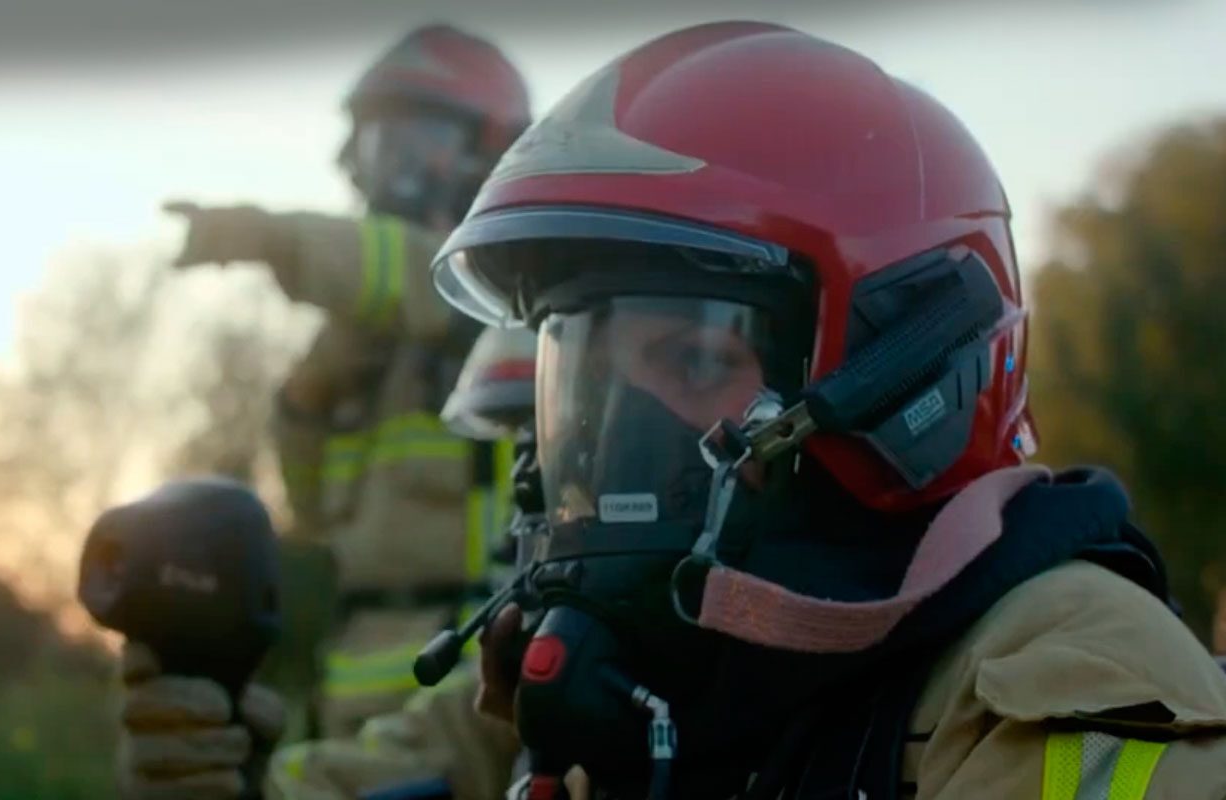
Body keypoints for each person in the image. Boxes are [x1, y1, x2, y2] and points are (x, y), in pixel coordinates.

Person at [422, 20, 1226, 799]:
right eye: (592, 380)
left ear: (906, 378)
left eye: (696, 360)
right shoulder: (669, 669)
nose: (614, 437)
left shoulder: (1072, 687)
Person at [115, 24, 532, 800]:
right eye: (374, 148)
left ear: (486, 153)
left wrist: (267, 236)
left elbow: (402, 267)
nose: (379, 171)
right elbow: (312, 507)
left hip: (466, 685)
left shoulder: (496, 295)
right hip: (351, 690)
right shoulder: (364, 344)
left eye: (406, 145)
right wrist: (305, 401)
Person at [115, 325, 541, 800]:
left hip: (433, 650)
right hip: (372, 684)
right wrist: (236, 788)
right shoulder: (501, 718)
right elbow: (383, 773)